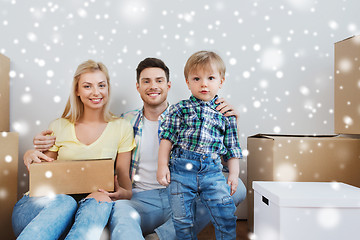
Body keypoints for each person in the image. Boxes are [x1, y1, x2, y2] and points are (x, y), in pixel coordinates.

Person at [32, 57, 246, 240]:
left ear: (169, 85)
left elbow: (222, 164)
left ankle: (161, 236)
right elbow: (87, 145)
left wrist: (229, 123)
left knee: (237, 190)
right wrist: (35, 149)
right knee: (122, 220)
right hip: (139, 199)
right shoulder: (124, 122)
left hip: (182, 195)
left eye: (159, 81)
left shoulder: (192, 118)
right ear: (138, 86)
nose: (153, 86)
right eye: (146, 81)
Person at [12, 60, 136, 240]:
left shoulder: (122, 128)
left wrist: (122, 193)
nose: (96, 92)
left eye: (101, 85)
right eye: (87, 86)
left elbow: (125, 186)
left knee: (101, 200)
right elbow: (41, 176)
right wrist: (29, 155)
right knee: (65, 201)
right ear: (77, 91)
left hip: (84, 214)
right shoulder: (59, 126)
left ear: (108, 88)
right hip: (37, 212)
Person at [157, 51, 240, 239]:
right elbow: (167, 139)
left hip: (211, 172)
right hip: (181, 171)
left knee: (226, 215)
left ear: (221, 81)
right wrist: (162, 166)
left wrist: (234, 174)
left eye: (210, 78)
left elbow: (232, 147)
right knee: (182, 220)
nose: (204, 83)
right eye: (197, 78)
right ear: (187, 82)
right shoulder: (180, 109)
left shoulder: (226, 114)